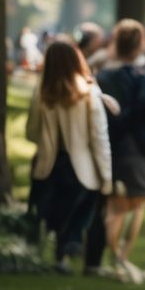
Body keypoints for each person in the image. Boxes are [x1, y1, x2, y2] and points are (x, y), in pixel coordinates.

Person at [93, 19, 145, 281]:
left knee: (114, 206)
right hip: (138, 150)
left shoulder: (102, 78)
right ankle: (122, 258)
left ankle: (111, 257)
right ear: (140, 45)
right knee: (136, 204)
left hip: (111, 147)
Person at [27, 41, 112, 273]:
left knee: (53, 212)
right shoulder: (88, 92)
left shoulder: (42, 92)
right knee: (77, 213)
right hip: (81, 167)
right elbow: (99, 137)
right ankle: (67, 252)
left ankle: (55, 255)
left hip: (49, 163)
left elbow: (31, 132)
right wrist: (106, 174)